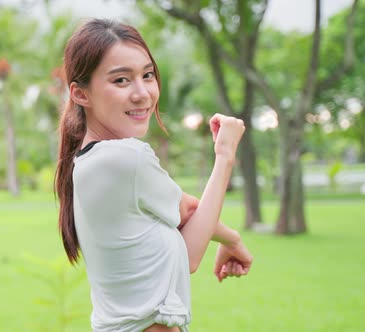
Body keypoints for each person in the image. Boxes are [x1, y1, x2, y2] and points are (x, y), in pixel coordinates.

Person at [54, 18, 253, 332]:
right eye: (121, 80)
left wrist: (231, 239)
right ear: (80, 94)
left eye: (147, 75)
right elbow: (191, 255)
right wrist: (225, 154)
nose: (142, 93)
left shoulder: (89, 161)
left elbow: (187, 210)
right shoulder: (126, 158)